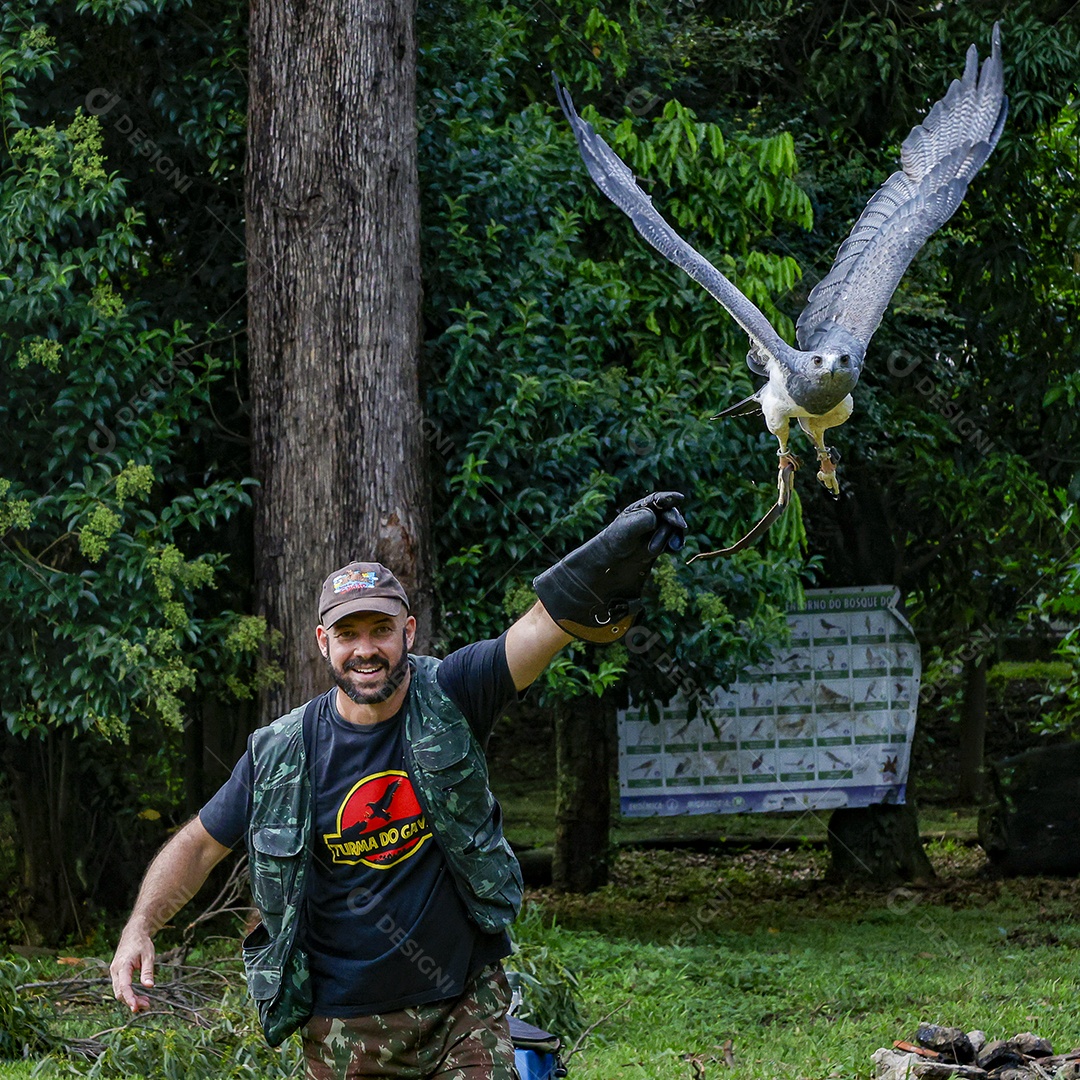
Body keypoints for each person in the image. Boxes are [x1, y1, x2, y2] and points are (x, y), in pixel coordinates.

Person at [110, 492, 687, 1079]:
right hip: (340, 1027)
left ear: (407, 631)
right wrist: (140, 928)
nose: (366, 649)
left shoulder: (454, 693)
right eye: (349, 633)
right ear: (323, 642)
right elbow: (199, 844)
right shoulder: (282, 750)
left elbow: (538, 628)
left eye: (381, 629)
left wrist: (600, 567)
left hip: (462, 1009)